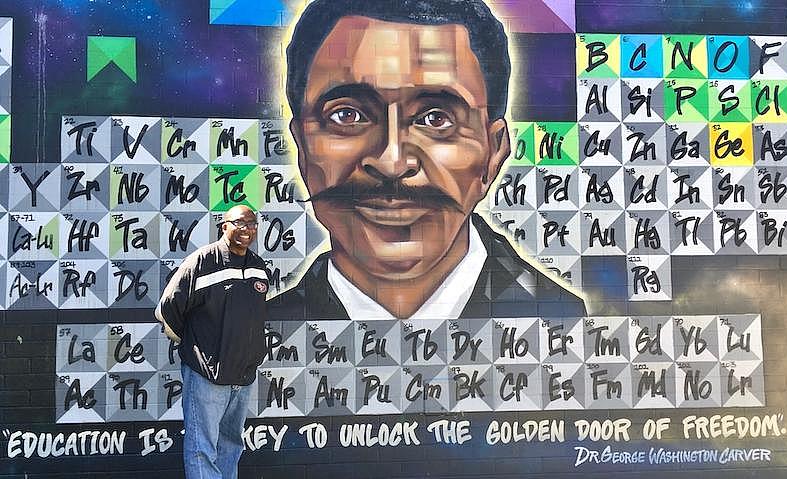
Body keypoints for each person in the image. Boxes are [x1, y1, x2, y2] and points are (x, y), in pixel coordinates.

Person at [268, 0, 586, 320]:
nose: (391, 161)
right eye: (347, 115)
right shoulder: (265, 332)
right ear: (303, 145)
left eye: (436, 119)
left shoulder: (565, 324)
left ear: (493, 152)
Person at [155, 205, 268, 479]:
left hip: (242, 376)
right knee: (201, 448)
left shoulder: (258, 267)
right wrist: (200, 346)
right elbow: (168, 309)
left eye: (252, 224)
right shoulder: (203, 261)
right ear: (224, 226)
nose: (247, 230)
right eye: (240, 223)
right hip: (206, 376)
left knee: (231, 444)